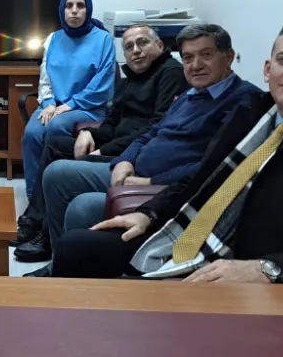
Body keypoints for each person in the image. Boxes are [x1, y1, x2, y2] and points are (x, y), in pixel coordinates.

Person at [54, 15, 283, 286]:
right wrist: (149, 213)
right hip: (187, 238)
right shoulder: (252, 114)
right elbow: (202, 176)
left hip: (246, 265)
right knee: (76, 247)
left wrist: (267, 269)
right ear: (268, 69)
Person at [25, 23, 258, 277]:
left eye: (206, 55)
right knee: (56, 173)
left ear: (229, 57)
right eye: (188, 57)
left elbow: (214, 167)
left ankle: (66, 268)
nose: (196, 65)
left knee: (80, 206)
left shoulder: (242, 102)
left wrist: (150, 181)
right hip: (132, 168)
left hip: (157, 185)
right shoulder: (191, 94)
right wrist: (126, 159)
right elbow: (153, 131)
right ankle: (57, 260)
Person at [13, 24, 187, 261]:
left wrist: (104, 149)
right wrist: (89, 133)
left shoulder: (171, 73)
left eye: (142, 43)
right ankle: (34, 221)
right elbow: (112, 122)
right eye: (129, 47)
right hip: (117, 145)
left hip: (132, 154)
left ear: (159, 45)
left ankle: (45, 239)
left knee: (59, 167)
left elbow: (154, 128)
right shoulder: (130, 79)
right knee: (56, 145)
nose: (136, 51)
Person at [22, 0, 116, 200]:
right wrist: (48, 102)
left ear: (88, 10)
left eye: (80, 6)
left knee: (56, 127)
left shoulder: (103, 39)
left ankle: (55, 193)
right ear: (62, 10)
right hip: (54, 105)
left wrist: (69, 105)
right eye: (69, 5)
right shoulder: (53, 39)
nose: (74, 10)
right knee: (32, 133)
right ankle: (34, 198)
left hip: (88, 107)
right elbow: (45, 77)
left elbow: (102, 85)